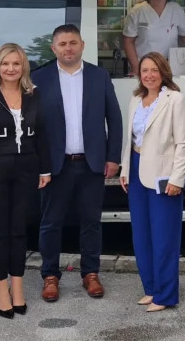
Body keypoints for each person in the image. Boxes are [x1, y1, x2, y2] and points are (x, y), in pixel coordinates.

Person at [34, 25, 123, 302]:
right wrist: (38, 164)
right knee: (50, 222)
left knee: (91, 222)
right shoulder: (39, 78)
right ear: (54, 48)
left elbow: (115, 119)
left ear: (82, 45)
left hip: (91, 164)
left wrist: (113, 157)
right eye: (62, 44)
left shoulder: (99, 76)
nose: (68, 48)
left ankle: (91, 273)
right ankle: (50, 275)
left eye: (73, 42)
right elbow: (33, 126)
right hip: (55, 165)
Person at [0, 43, 52, 319]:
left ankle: (18, 288)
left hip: (27, 169)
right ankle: (1, 290)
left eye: (16, 64)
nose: (11, 69)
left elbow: (41, 133)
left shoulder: (33, 93)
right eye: (5, 64)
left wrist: (45, 169)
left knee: (19, 230)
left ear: (23, 66)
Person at [119, 52, 185, 312]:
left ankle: (166, 294)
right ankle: (150, 288)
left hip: (164, 174)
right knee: (141, 236)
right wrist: (124, 170)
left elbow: (183, 143)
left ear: (163, 73)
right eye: (144, 70)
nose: (149, 75)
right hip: (137, 169)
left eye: (154, 70)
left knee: (164, 238)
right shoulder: (136, 99)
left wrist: (177, 177)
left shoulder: (175, 100)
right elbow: (131, 139)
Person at [121, 0, 185, 76]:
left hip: (171, 65)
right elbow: (128, 41)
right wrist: (135, 67)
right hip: (144, 65)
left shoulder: (176, 9)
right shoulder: (137, 11)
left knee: (171, 92)